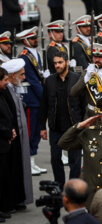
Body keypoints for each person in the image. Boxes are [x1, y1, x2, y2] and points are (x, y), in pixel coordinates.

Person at [39, 51, 83, 190]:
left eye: (60, 62)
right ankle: (59, 185)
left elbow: (84, 104)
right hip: (55, 128)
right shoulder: (50, 81)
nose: (57, 66)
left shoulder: (77, 79)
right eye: (55, 63)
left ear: (67, 62)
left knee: (75, 160)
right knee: (55, 158)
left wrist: (84, 125)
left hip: (74, 127)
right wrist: (42, 127)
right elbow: (44, 105)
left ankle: (73, 187)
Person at [2, 58, 33, 210]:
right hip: (11, 138)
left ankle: (19, 199)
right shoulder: (5, 90)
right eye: (21, 75)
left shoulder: (11, 88)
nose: (24, 77)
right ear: (12, 75)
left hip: (18, 137)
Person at [17, 26, 47, 176]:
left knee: (35, 132)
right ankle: (28, 163)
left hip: (36, 99)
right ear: (25, 40)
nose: (36, 40)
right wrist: (45, 97)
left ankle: (32, 161)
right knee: (30, 132)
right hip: (31, 99)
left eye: (36, 38)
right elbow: (34, 81)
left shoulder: (34, 54)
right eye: (33, 38)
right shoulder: (24, 57)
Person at [0, 67, 23, 222]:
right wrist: (8, 132)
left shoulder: (2, 93)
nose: (7, 83)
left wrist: (11, 130)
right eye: (5, 80)